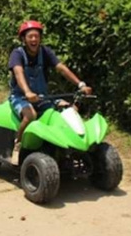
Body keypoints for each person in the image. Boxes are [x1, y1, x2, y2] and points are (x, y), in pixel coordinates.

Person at [8, 20, 93, 165]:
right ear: (24, 39)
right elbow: (18, 73)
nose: (34, 39)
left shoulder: (45, 52)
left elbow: (61, 68)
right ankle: (18, 144)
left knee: (63, 112)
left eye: (37, 36)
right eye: (30, 37)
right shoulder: (17, 54)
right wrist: (27, 92)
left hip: (42, 96)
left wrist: (80, 84)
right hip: (21, 97)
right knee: (30, 115)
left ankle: (64, 147)